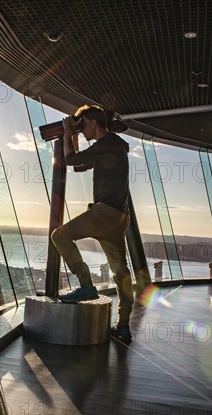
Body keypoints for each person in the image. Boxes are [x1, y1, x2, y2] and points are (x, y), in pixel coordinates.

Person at [51, 104, 134, 342]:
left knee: (60, 236)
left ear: (94, 124)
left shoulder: (106, 144)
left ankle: (86, 286)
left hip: (104, 214)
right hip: (119, 218)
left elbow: (69, 160)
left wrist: (68, 132)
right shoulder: (113, 146)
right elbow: (78, 165)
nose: (83, 132)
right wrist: (74, 134)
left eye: (84, 126)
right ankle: (124, 325)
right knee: (120, 272)